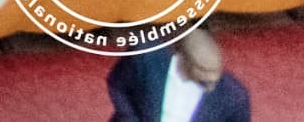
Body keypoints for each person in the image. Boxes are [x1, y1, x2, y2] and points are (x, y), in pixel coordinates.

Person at [106, 29, 250, 122]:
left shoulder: (235, 95)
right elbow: (117, 84)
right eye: (203, 70)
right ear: (182, 57)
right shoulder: (145, 56)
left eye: (215, 71)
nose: (212, 80)